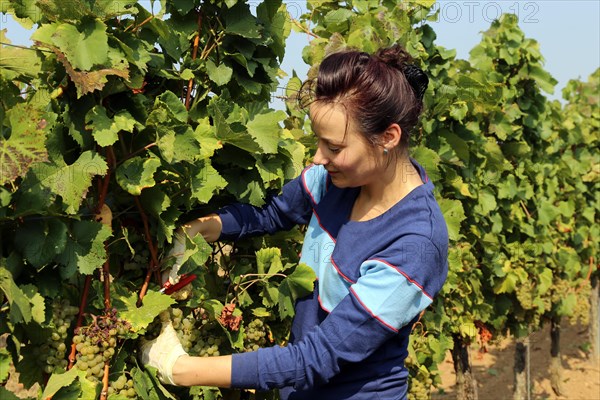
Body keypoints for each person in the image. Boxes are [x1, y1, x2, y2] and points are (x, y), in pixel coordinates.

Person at [141, 43, 449, 399]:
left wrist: (181, 369)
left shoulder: (415, 245)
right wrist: (199, 229)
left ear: (388, 137)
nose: (319, 157)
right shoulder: (335, 181)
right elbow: (270, 213)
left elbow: (316, 357)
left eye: (333, 147)